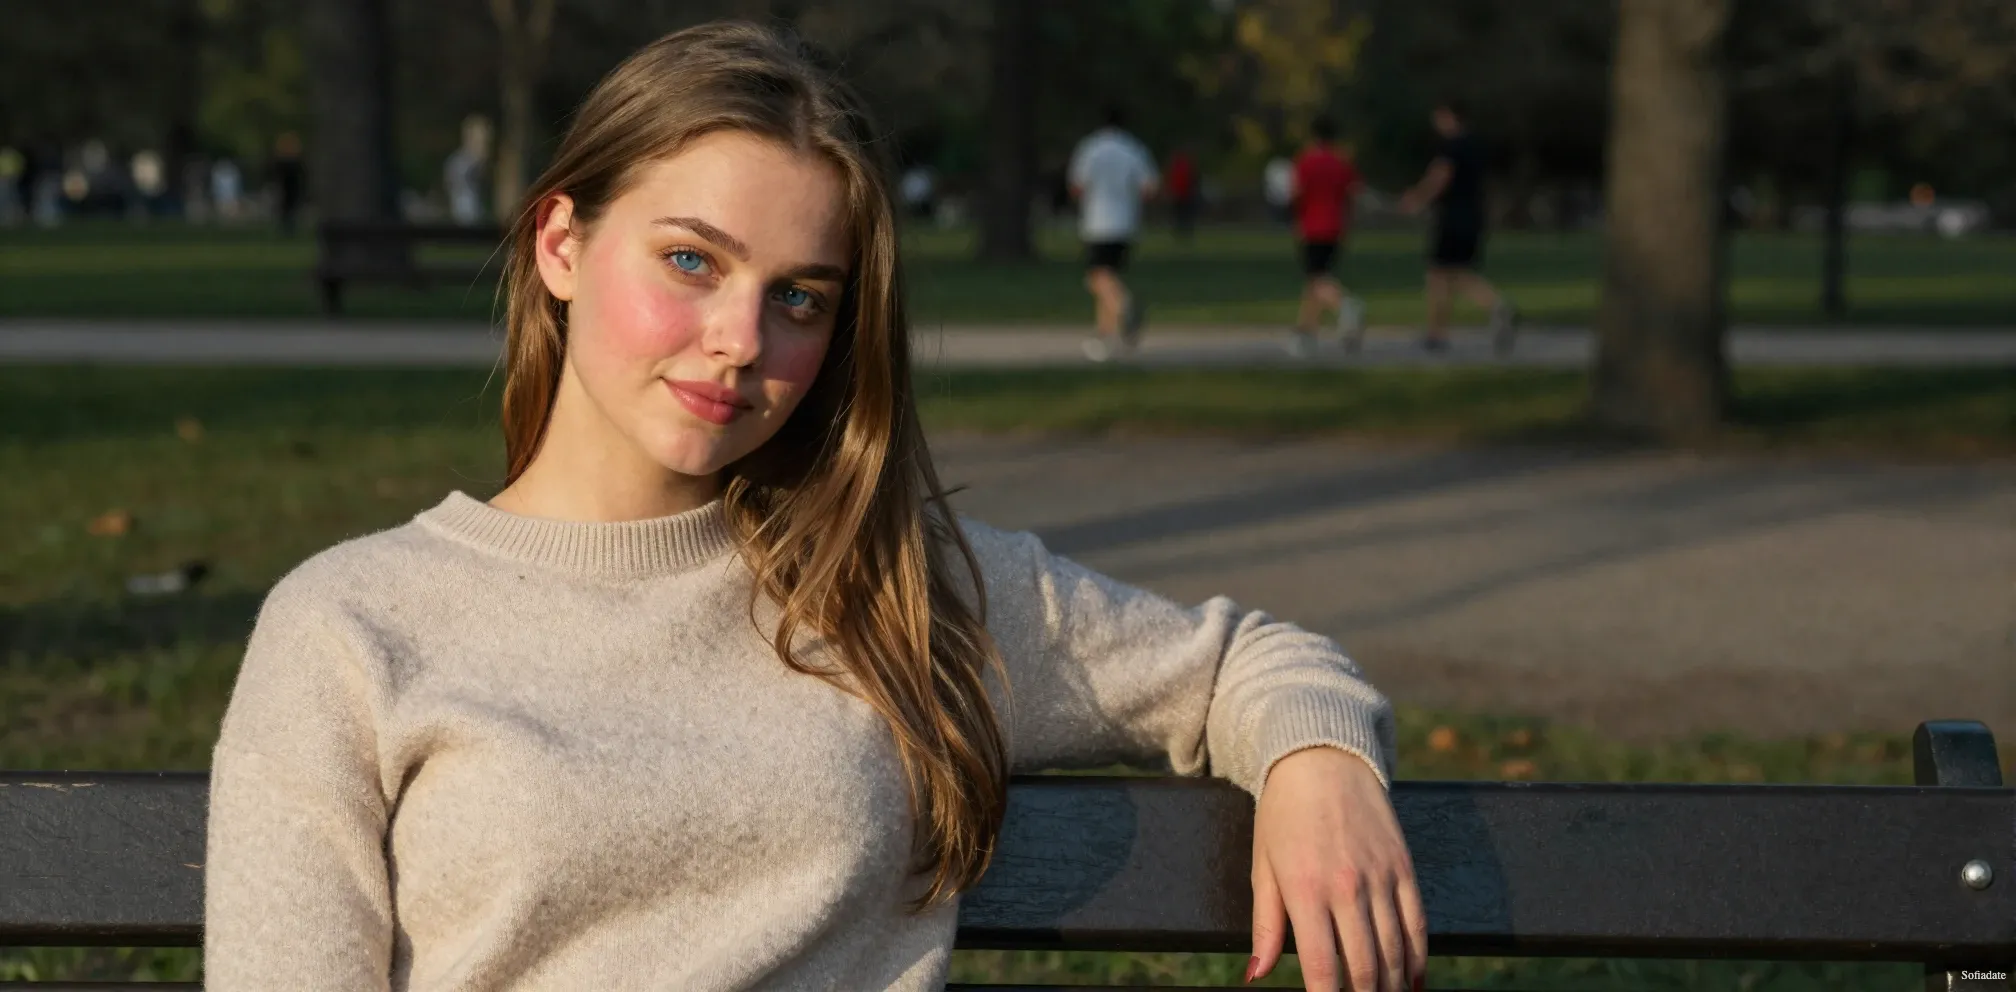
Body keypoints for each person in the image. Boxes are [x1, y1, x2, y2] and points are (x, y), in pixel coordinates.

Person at [203, 22, 1423, 992]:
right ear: (560, 245)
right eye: (691, 261)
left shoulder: (891, 586)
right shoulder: (352, 623)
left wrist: (1320, 759)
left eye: (801, 296)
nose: (740, 340)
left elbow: (1242, 665)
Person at [1400, 99, 1517, 354]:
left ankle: (1437, 333)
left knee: (1437, 274)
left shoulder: (1451, 146)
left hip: (1451, 216)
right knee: (1456, 272)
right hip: (1474, 214)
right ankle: (1496, 305)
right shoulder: (1477, 145)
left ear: (1449, 116)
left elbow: (1440, 176)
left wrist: (1418, 199)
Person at [1068, 106, 1158, 362]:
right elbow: (1150, 186)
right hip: (1126, 222)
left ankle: (1124, 305)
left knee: (1098, 278)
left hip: (1098, 221)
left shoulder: (1091, 148)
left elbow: (1077, 185)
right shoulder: (1134, 148)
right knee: (1109, 276)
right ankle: (1104, 337)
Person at [1287, 116, 1366, 357]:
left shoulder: (1306, 161)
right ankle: (1305, 336)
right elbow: (1354, 194)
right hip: (1336, 226)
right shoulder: (1342, 162)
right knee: (1316, 282)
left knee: (1317, 279)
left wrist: (1295, 218)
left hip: (1313, 226)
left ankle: (1345, 305)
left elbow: (1296, 193)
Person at [270, 132, 306, 236]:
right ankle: (286, 228)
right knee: (286, 210)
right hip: (287, 189)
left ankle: (288, 229)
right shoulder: (288, 164)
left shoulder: (290, 164)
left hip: (290, 189)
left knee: (288, 210)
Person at [1165, 145, 1200, 243]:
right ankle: (1183, 234)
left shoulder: (1178, 166)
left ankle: (1183, 233)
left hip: (1183, 194)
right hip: (1182, 194)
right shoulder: (1183, 166)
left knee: (1182, 215)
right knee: (1183, 215)